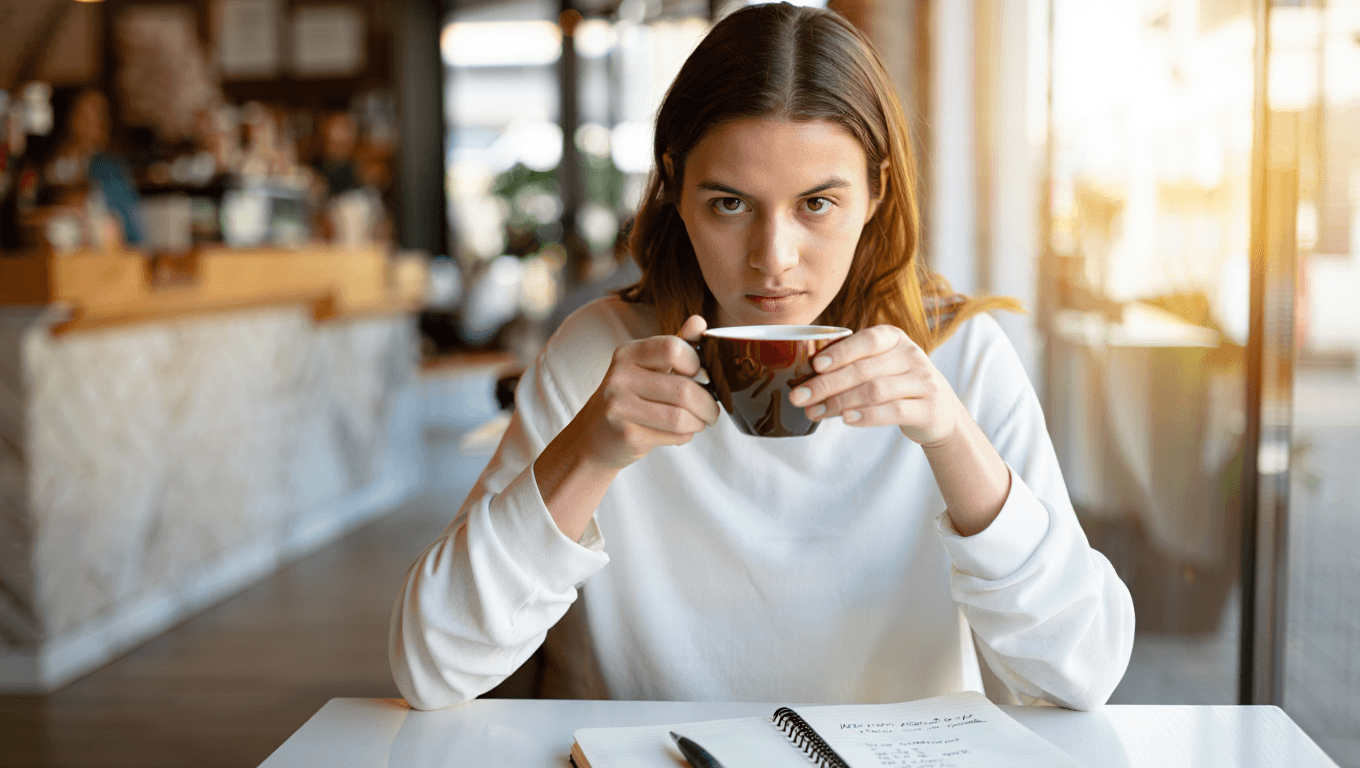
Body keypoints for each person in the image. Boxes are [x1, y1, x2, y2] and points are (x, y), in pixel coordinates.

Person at [390, 3, 1134, 711]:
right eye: (730, 204)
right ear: (676, 190)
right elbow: (431, 666)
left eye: (817, 204)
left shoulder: (961, 358)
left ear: (875, 191)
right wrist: (588, 450)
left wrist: (951, 436)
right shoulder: (601, 353)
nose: (772, 261)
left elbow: (1084, 672)